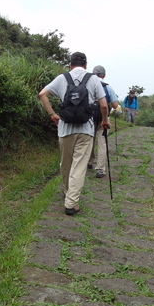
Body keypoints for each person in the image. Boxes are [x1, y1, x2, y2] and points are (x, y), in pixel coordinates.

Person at [38, 52, 110, 215]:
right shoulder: (93, 79)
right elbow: (104, 105)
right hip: (86, 130)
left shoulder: (62, 78)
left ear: (70, 65)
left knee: (66, 164)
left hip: (65, 129)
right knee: (79, 167)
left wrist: (52, 114)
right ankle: (71, 203)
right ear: (85, 65)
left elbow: (42, 94)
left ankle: (67, 193)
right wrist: (105, 121)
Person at [89, 65, 119, 178]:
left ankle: (89, 162)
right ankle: (100, 169)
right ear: (104, 75)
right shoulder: (107, 88)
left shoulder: (88, 86)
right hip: (103, 119)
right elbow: (115, 105)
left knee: (89, 141)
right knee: (102, 143)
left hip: (89, 118)